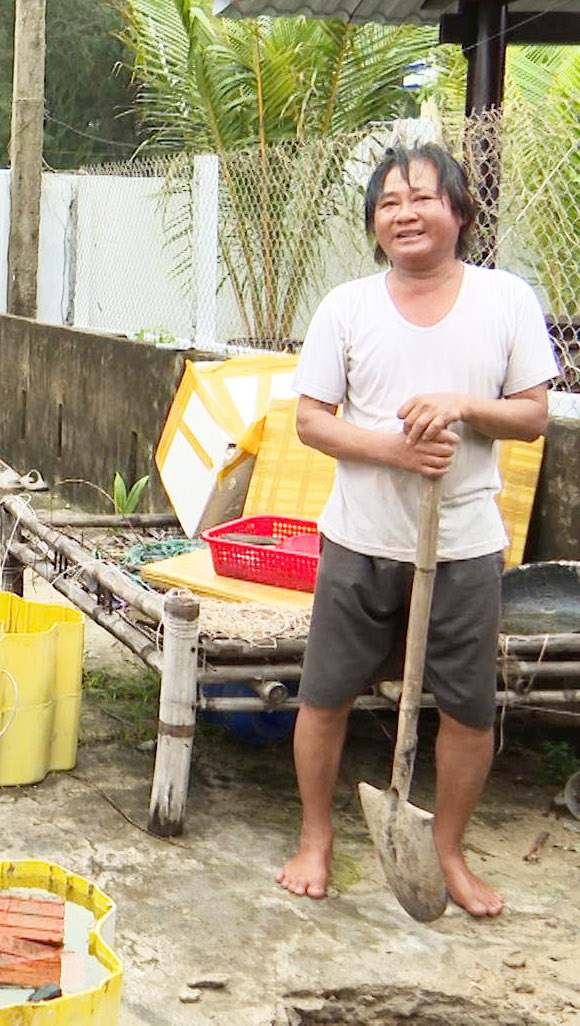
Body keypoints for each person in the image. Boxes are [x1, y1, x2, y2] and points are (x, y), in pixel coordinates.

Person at [277, 143, 556, 918]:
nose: (405, 213)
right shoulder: (347, 307)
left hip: (464, 544)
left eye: (423, 198)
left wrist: (463, 407)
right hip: (361, 539)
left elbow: (532, 415)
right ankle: (315, 837)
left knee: (469, 708)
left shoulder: (504, 300)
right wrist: (396, 449)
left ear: (460, 214)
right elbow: (311, 422)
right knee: (326, 696)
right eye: (389, 202)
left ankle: (449, 852)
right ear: (374, 222)